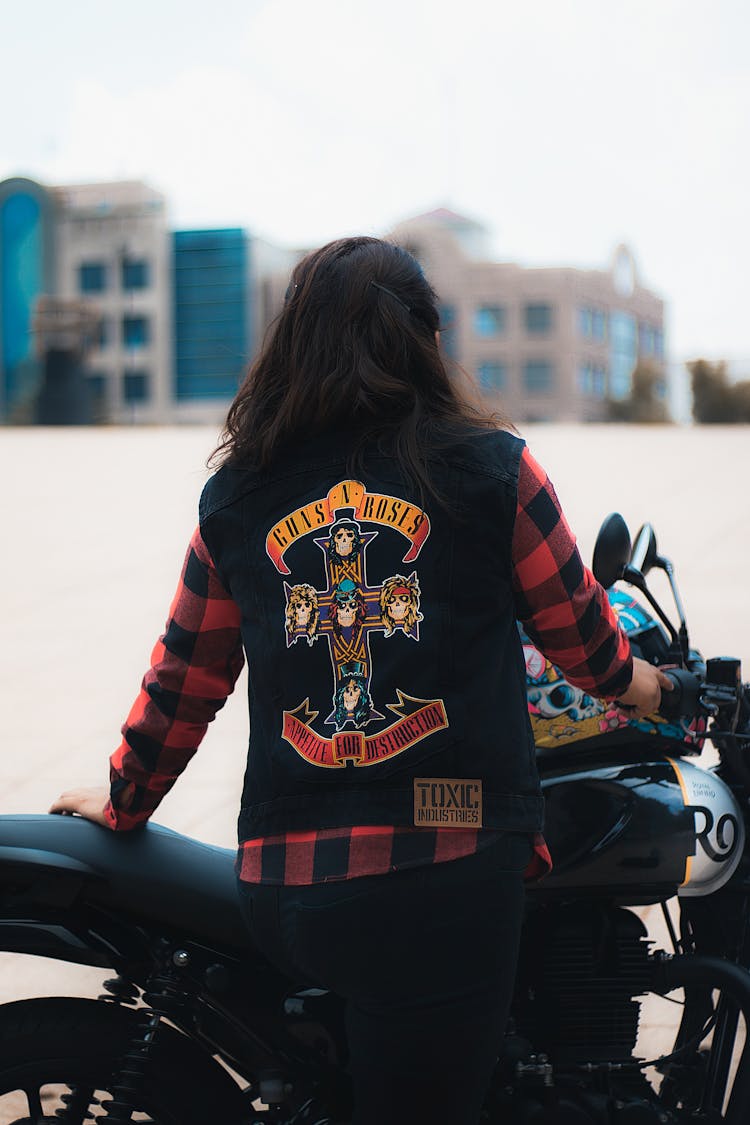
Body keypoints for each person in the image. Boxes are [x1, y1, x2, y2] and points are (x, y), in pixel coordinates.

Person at [51, 236, 670, 1125]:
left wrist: (123, 798)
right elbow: (590, 650)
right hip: (445, 874)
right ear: (425, 340)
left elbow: (186, 674)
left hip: (288, 888)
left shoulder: (239, 497)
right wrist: (667, 694)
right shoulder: (495, 470)